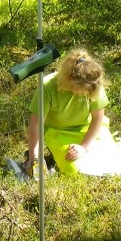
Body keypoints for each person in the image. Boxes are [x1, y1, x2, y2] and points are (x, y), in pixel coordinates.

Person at [24, 48, 111, 176]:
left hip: (88, 129)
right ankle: (46, 157)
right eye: (83, 90)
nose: (86, 94)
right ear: (70, 79)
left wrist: (83, 147)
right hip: (58, 132)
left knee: (107, 161)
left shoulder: (92, 81)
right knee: (73, 169)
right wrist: (34, 158)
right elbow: (36, 125)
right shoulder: (48, 86)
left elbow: (98, 118)